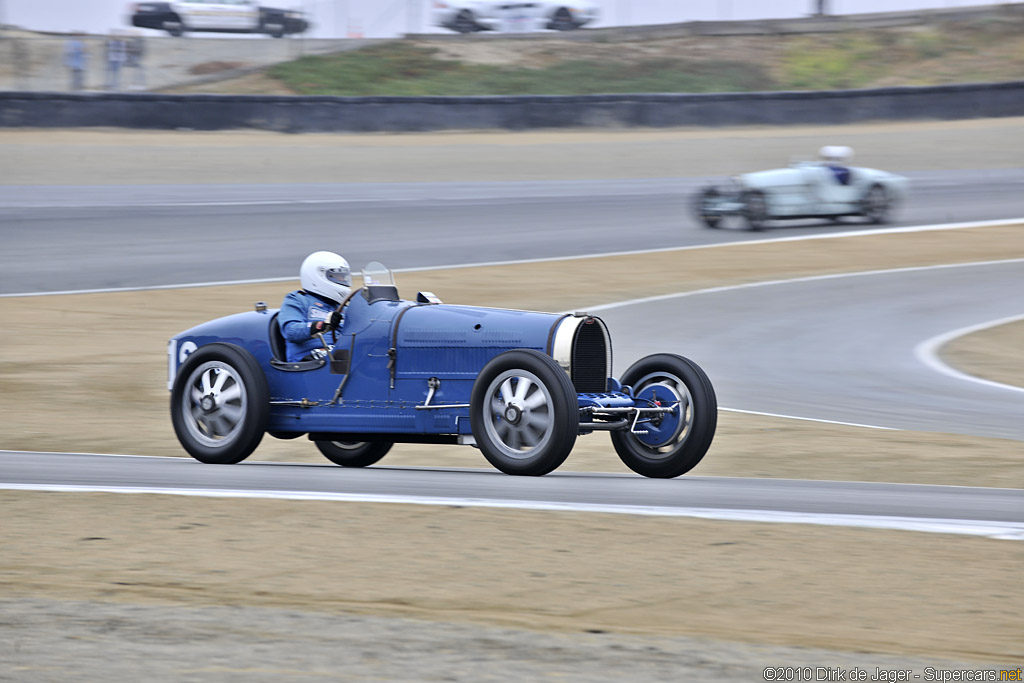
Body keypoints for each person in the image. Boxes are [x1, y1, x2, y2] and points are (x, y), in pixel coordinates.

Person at [279, 252, 351, 362]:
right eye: (338, 277)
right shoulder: (297, 299)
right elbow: (291, 331)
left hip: (341, 356)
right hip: (309, 361)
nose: (343, 281)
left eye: (344, 277)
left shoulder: (343, 308)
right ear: (319, 276)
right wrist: (322, 326)